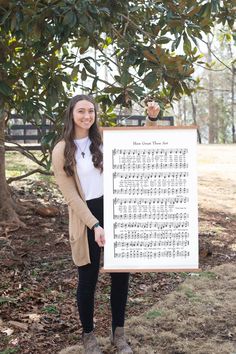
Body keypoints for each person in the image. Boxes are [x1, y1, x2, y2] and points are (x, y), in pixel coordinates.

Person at [52, 94, 160, 354]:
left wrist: (152, 120)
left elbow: (138, 146)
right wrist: (95, 225)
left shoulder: (103, 140)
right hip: (84, 217)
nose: (87, 116)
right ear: (71, 114)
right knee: (87, 280)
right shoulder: (61, 149)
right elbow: (71, 196)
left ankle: (118, 335)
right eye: (81, 111)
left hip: (115, 212)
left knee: (121, 276)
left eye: (91, 111)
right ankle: (89, 337)